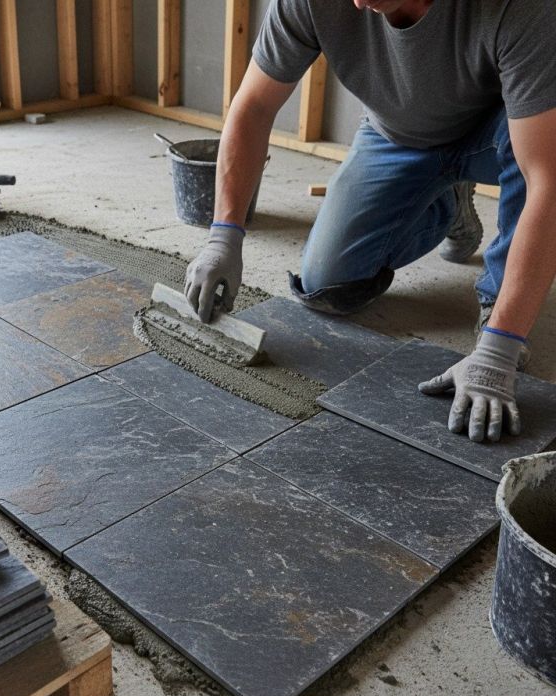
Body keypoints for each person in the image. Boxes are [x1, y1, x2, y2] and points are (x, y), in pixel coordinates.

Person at [184, 0, 556, 443]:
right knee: (326, 285)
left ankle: (498, 309)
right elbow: (254, 106)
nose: (359, 3)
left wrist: (500, 346)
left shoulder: (522, 9)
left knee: (538, 156)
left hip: (502, 135)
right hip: (399, 136)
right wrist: (224, 236)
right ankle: (446, 206)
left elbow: (547, 182)